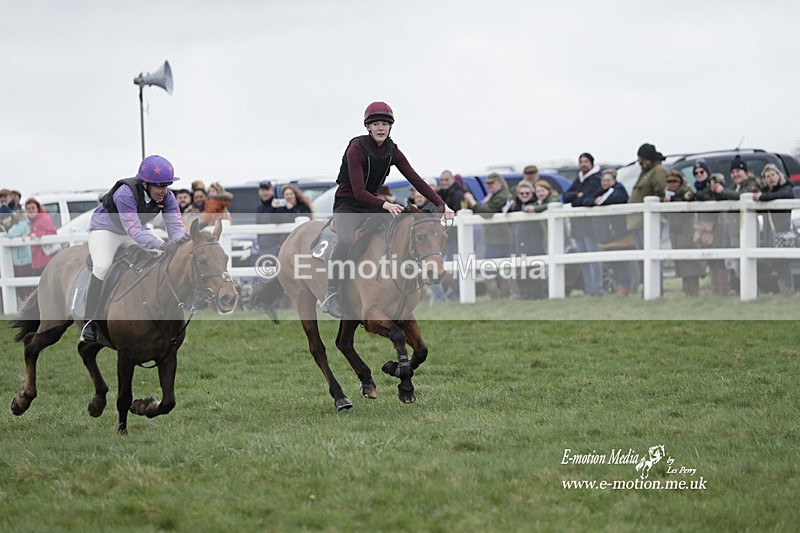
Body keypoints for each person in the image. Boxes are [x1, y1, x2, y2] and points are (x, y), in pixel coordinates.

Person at [320, 101, 453, 317]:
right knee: (345, 241)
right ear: (368, 127)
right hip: (348, 204)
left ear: (390, 127)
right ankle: (332, 292)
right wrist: (385, 204)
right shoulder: (356, 148)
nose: (381, 128)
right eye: (376, 124)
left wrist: (442, 204)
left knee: (400, 230)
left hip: (372, 203)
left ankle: (403, 282)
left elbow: (416, 180)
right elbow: (358, 190)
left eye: (385, 124)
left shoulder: (393, 150)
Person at [80, 155, 188, 342]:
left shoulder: (168, 196)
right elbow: (136, 231)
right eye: (159, 186)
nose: (164, 191)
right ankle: (90, 322)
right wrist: (163, 245)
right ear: (145, 184)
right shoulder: (125, 193)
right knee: (102, 267)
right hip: (106, 230)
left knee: (152, 261)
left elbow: (176, 227)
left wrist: (179, 245)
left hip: (131, 231)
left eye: (166, 185)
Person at [585, 169, 633, 296]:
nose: (605, 183)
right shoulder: (602, 191)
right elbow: (587, 200)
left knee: (622, 264)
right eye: (604, 180)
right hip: (608, 235)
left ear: (614, 180)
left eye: (608, 180)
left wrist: (600, 201)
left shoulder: (619, 189)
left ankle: (624, 290)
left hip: (620, 233)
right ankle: (619, 289)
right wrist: (596, 201)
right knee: (615, 265)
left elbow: (614, 199)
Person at [464, 173, 512, 299]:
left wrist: (472, 202)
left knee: (490, 269)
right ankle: (501, 295)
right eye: (488, 184)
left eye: (492, 183)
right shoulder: (495, 195)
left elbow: (487, 213)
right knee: (498, 269)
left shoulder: (501, 196)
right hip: (495, 238)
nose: (489, 186)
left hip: (498, 239)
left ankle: (499, 295)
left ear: (499, 183)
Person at [563, 152, 604, 296]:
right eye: (581, 161)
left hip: (590, 225)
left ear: (591, 163)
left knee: (593, 257)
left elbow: (587, 198)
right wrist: (577, 196)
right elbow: (566, 196)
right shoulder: (579, 179)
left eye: (586, 161)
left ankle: (597, 288)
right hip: (577, 225)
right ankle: (589, 288)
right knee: (583, 259)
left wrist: (578, 197)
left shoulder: (596, 179)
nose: (583, 164)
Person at [753, 164, 795, 297]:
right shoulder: (766, 191)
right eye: (767, 176)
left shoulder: (786, 188)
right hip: (771, 233)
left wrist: (762, 197)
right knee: (777, 264)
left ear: (779, 175)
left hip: (784, 232)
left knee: (783, 264)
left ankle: (787, 293)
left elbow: (784, 195)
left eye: (773, 175)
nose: (771, 178)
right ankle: (783, 292)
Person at [662, 170, 705, 296]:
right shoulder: (666, 195)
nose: (672, 184)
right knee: (680, 262)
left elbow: (690, 200)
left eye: (675, 181)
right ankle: (687, 291)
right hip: (675, 232)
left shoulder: (686, 192)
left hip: (687, 231)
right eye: (669, 181)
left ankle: (694, 291)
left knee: (691, 262)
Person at [0, 206, 34, 302]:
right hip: (18, 260)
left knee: (26, 287)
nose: (6, 220)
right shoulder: (16, 224)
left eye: (7, 217)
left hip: (23, 260)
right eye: (3, 219)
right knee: (21, 288)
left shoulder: (20, 224)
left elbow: (11, 233)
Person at [24, 198, 58, 275]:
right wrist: (28, 235)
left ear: (37, 209)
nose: (30, 210)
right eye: (28, 208)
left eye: (33, 208)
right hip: (37, 259)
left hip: (46, 258)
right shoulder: (32, 221)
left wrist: (37, 235)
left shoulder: (44, 219)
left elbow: (51, 232)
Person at [255, 181, 282, 258]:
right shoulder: (260, 207)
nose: (265, 192)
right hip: (263, 245)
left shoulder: (277, 204)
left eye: (267, 190)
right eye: (263, 190)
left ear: (272, 191)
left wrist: (274, 208)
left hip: (275, 244)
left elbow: (278, 221)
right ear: (259, 192)